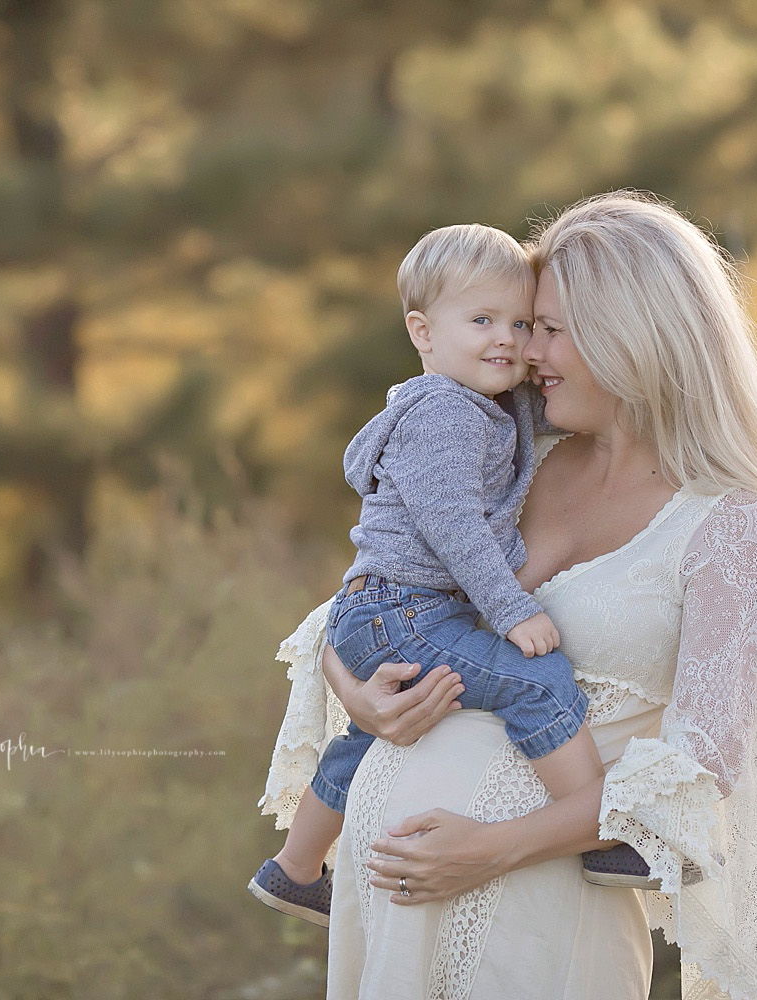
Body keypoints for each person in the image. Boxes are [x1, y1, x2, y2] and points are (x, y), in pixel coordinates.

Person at [258, 190, 757, 1000]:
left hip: (541, 916)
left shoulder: (727, 525)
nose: (526, 353)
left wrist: (493, 846)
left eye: (548, 328)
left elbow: (699, 770)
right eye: (523, 325)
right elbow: (378, 599)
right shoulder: (522, 461)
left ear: (632, 336)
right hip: (394, 901)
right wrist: (358, 694)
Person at [249, 223, 659, 929]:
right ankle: (606, 832)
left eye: (524, 323)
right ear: (423, 332)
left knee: (369, 739)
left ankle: (295, 867)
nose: (509, 340)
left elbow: (571, 401)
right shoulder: (445, 415)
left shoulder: (483, 405)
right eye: (482, 321)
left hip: (382, 613)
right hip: (407, 610)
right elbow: (456, 531)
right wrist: (510, 610)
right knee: (535, 679)